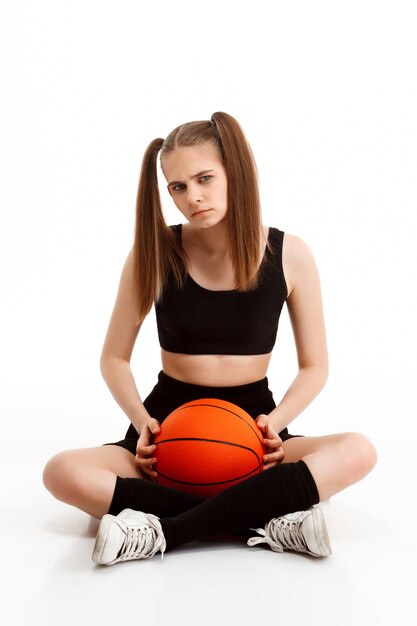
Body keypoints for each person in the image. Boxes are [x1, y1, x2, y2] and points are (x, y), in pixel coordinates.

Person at [43, 111, 377, 566]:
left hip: (253, 432)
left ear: (232, 172)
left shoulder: (290, 254)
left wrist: (275, 425)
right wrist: (143, 423)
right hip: (167, 433)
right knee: (60, 472)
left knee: (359, 450)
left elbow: (315, 366)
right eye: (177, 187)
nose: (192, 197)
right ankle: (267, 519)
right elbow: (114, 358)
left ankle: (168, 530)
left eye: (204, 178)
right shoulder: (155, 252)